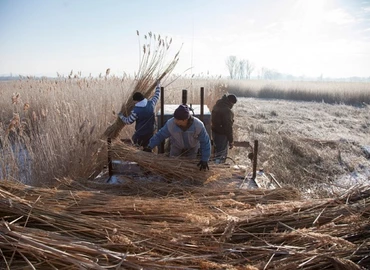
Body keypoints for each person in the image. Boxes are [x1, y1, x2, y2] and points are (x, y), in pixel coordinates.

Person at [144, 104, 211, 171]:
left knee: (190, 167)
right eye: (175, 118)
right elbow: (160, 135)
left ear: (185, 120)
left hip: (192, 148)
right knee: (173, 166)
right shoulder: (171, 124)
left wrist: (205, 159)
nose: (175, 120)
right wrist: (150, 146)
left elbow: (205, 142)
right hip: (176, 147)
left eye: (177, 119)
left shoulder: (198, 125)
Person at [118, 82, 160, 148]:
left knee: (137, 148)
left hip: (140, 135)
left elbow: (128, 121)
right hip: (150, 132)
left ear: (136, 101)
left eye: (134, 101)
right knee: (148, 149)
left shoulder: (136, 111)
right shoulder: (151, 103)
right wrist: (158, 85)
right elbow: (157, 95)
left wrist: (121, 116)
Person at [211, 94, 237, 163]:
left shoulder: (217, 105)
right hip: (222, 135)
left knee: (215, 152)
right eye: (233, 104)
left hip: (214, 132)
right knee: (221, 154)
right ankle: (218, 169)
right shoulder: (227, 111)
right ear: (231, 102)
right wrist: (231, 140)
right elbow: (228, 127)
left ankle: (214, 166)